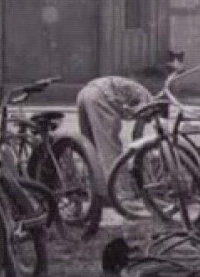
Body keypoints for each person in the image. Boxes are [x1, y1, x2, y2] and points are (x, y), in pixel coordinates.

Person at [76, 51, 186, 189]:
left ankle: (93, 188)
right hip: (99, 97)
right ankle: (121, 194)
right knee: (110, 149)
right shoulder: (146, 96)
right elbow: (138, 135)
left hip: (85, 92)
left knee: (90, 147)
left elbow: (137, 134)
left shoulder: (134, 87)